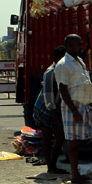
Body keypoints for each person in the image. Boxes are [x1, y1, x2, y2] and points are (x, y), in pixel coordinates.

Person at [55, 34, 92, 184]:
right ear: (70, 46)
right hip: (73, 106)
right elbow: (63, 89)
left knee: (78, 142)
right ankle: (75, 175)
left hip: (82, 105)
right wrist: (74, 111)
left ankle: (77, 173)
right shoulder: (63, 64)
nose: (81, 46)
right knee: (72, 142)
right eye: (78, 44)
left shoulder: (78, 62)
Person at [33, 46, 68, 175]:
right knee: (49, 138)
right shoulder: (51, 72)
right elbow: (48, 94)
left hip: (54, 108)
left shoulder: (61, 70)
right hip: (46, 109)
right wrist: (54, 112)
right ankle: (51, 166)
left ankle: (52, 165)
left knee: (59, 137)